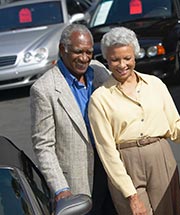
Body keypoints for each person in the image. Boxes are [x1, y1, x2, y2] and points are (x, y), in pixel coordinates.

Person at [88, 26, 180, 215]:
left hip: (161, 158)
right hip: (126, 165)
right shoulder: (99, 99)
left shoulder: (155, 85)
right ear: (107, 60)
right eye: (115, 60)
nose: (122, 65)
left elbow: (176, 130)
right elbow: (107, 151)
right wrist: (130, 195)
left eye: (127, 58)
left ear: (135, 55)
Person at [30, 24, 115, 214]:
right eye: (78, 52)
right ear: (63, 49)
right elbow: (43, 145)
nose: (84, 59)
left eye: (89, 52)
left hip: (111, 170)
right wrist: (61, 188)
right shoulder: (44, 89)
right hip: (78, 182)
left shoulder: (99, 71)